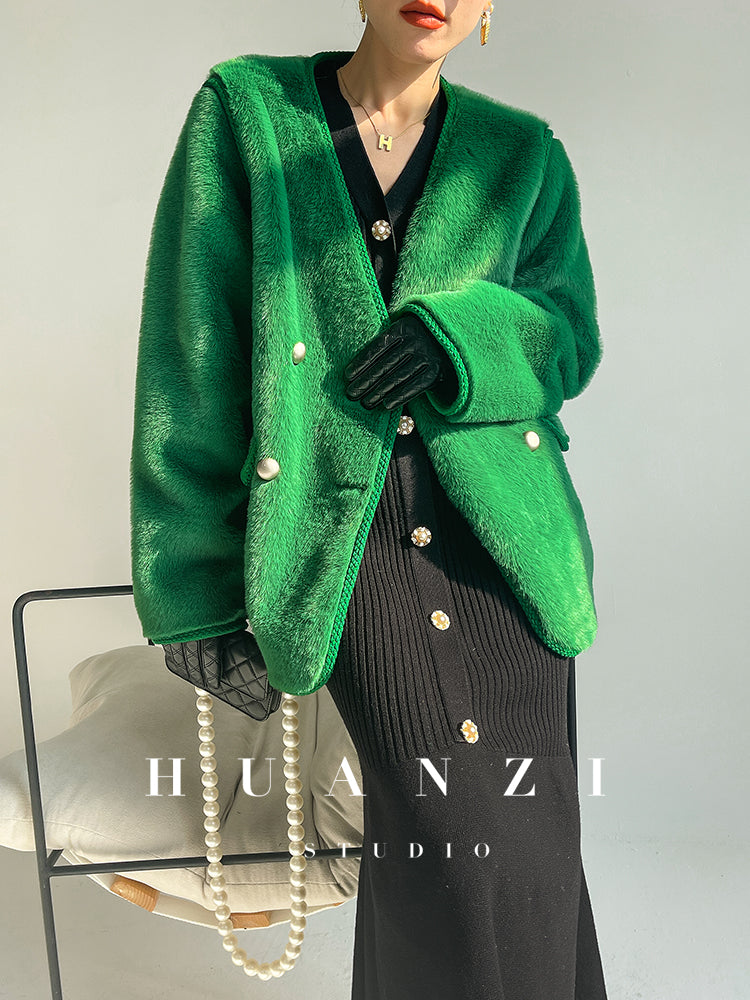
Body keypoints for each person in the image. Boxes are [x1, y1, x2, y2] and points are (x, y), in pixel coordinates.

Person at [130, 2, 608, 998]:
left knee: (520, 855)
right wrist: (194, 589)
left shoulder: (523, 155)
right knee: (461, 845)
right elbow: (191, 352)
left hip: (508, 553)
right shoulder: (248, 112)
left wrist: (459, 338)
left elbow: (567, 338)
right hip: (345, 544)